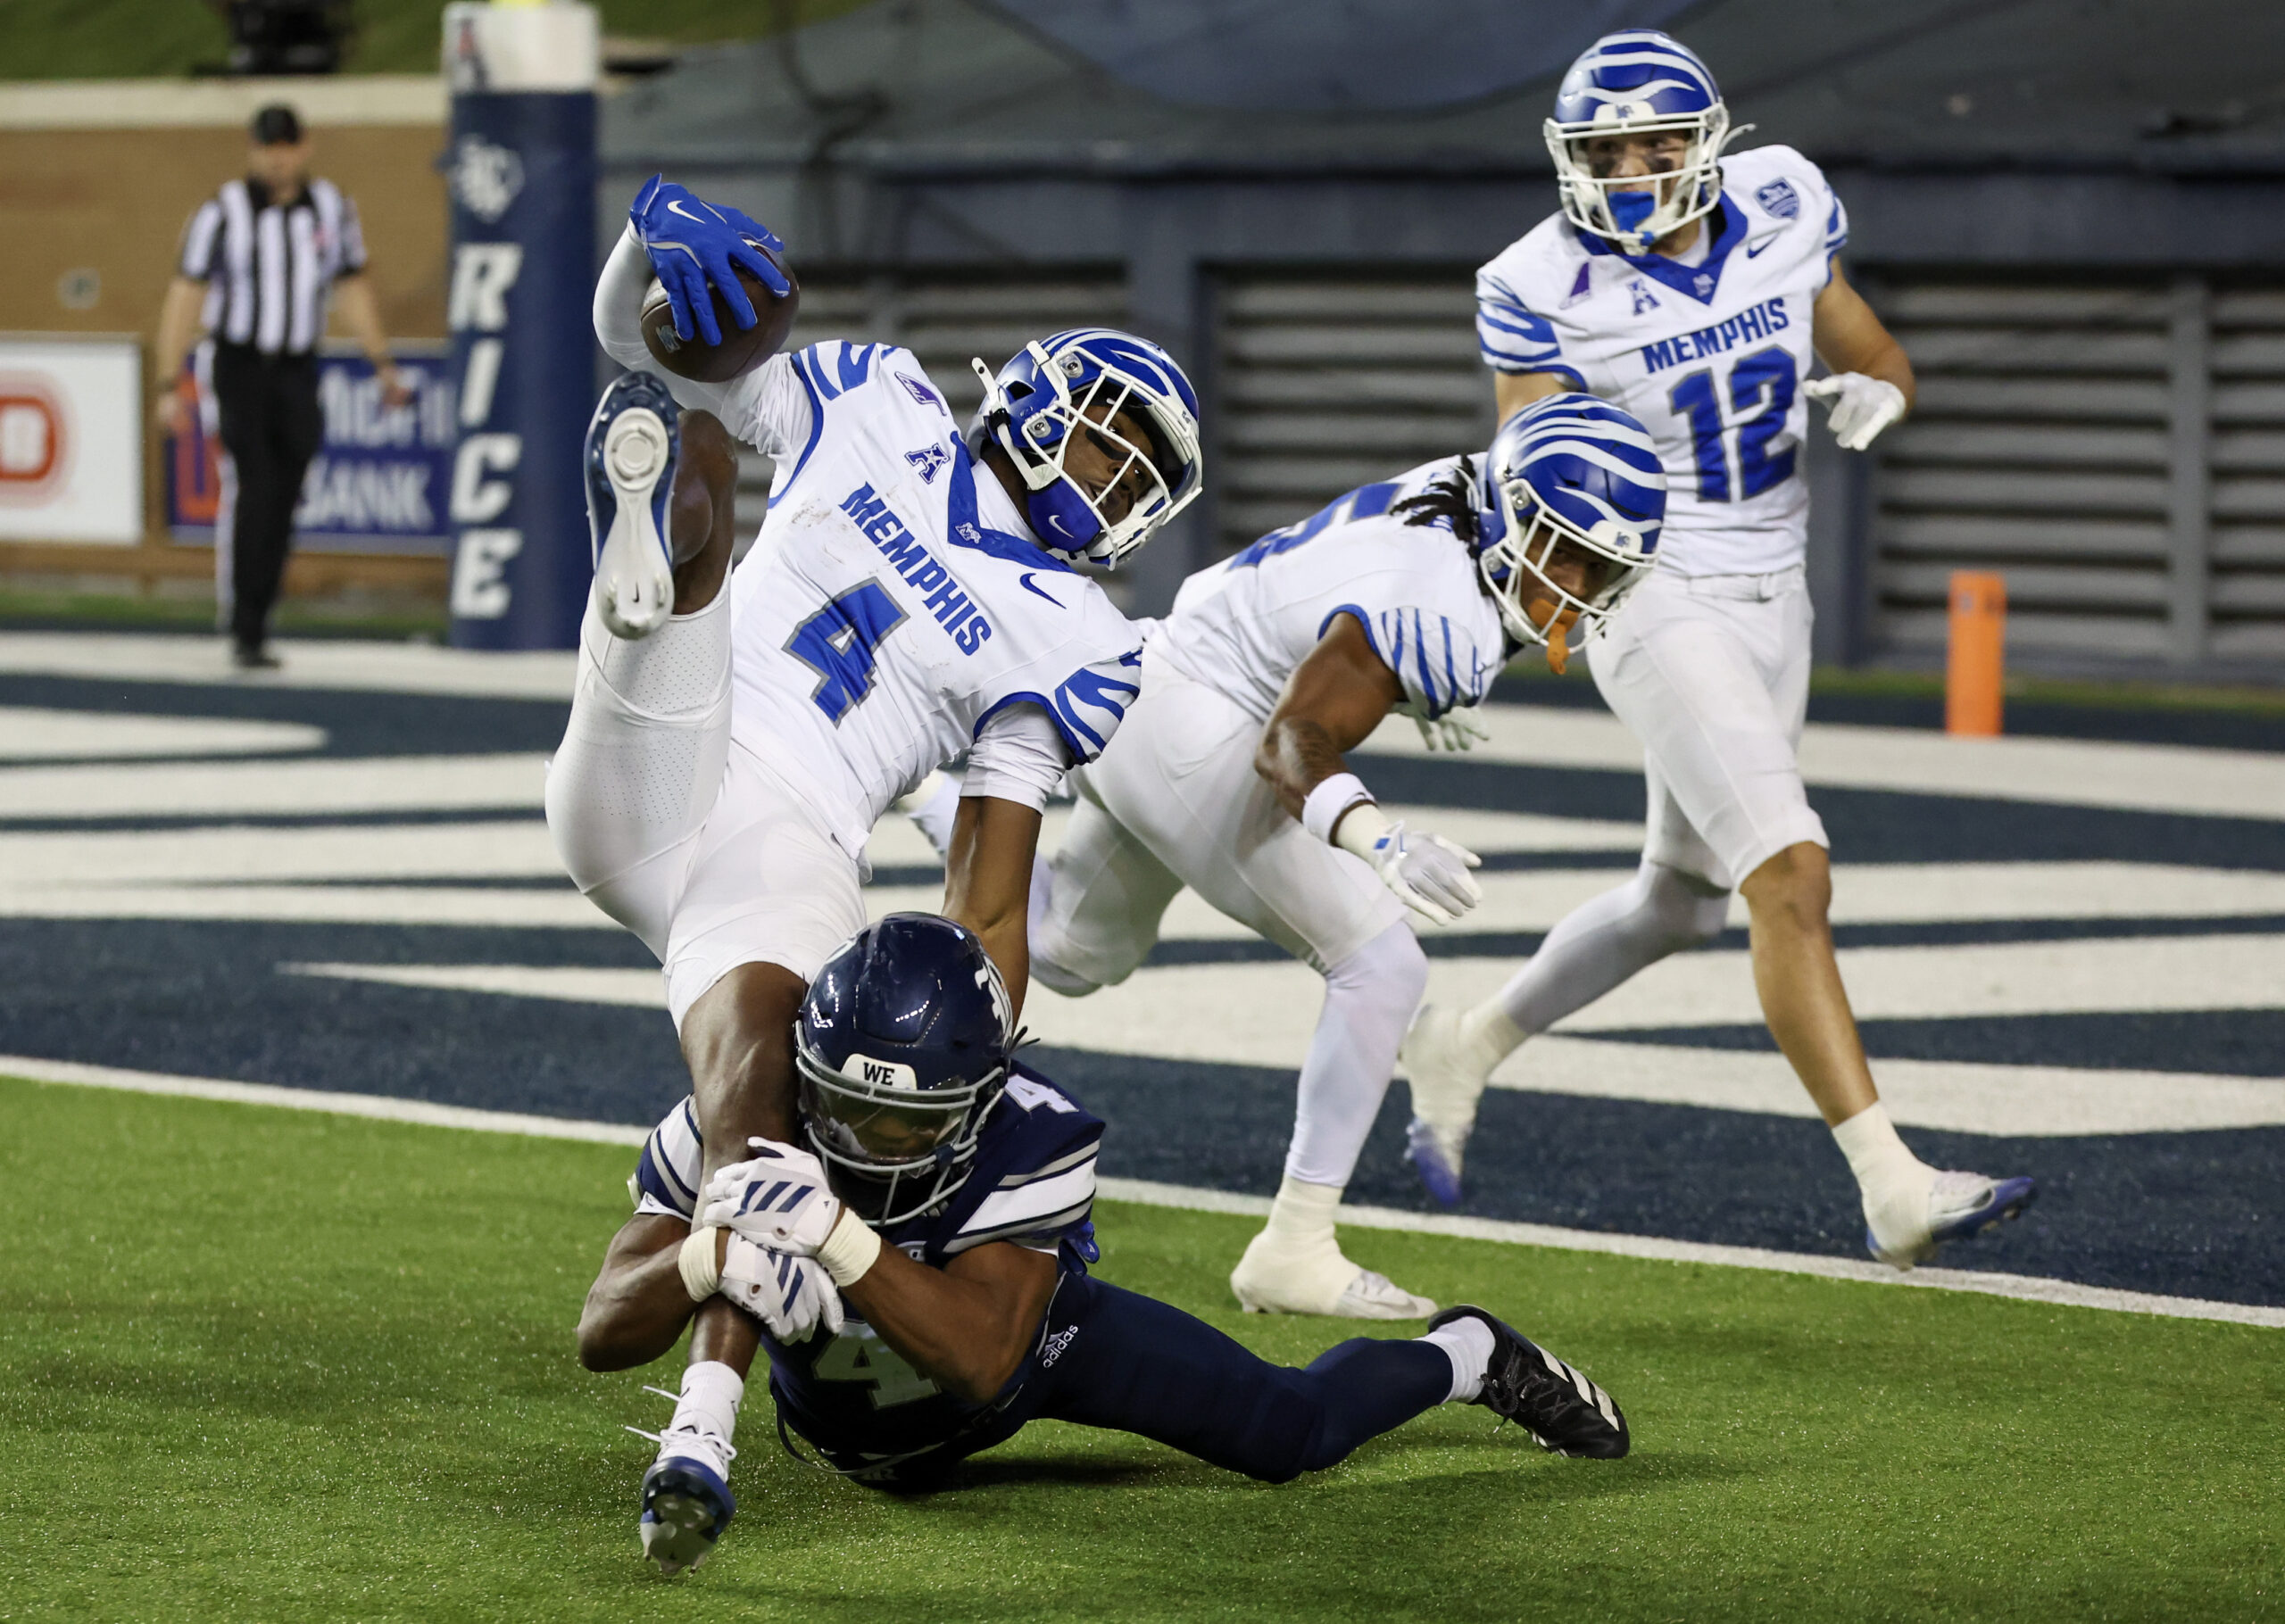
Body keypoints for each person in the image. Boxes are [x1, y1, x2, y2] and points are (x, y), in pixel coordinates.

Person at [544, 179, 1206, 1546]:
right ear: (1031, 403)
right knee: (707, 456)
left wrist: (984, 1043)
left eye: (1134, 481)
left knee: (766, 1111)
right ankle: (667, 552)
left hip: (786, 834)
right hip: (679, 759)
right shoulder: (884, 403)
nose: (1110, 490)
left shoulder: (1076, 634)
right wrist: (643, 261)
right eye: (1102, 451)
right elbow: (642, 338)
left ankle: (702, 1430)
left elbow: (990, 890)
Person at [1400, 30, 2034, 1267]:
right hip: (1651, 587)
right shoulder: (1535, 278)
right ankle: (1890, 1184)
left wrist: (1883, 393)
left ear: (1708, 144)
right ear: (1568, 160)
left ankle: (1465, 1041)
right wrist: (1538, 605)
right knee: (1789, 874)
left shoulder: (1787, 195)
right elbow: (1532, 470)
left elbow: (1874, 348)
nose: (1634, 170)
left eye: (1657, 144)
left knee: (1675, 901)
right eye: (1606, 150)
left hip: (1772, 590)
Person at [903, 394, 1664, 1320]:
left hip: (1151, 676)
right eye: (1565, 550)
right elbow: (1292, 742)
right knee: (1381, 962)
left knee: (1071, 949)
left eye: (1602, 567)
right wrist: (1377, 838)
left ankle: (927, 792)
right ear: (1513, 511)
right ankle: (1294, 1245)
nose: (1578, 584)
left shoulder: (1467, 498)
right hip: (1201, 718)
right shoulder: (1443, 608)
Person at [577, 913, 1632, 1573]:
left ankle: (1467, 1354)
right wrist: (704, 1257)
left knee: (1289, 1432)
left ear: (983, 1096)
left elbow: (985, 1358)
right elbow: (602, 1331)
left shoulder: (1035, 1127)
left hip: (1028, 1351)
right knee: (738, 1236)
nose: (867, 1141)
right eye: (844, 1107)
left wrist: (835, 1236)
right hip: (859, 1424)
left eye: (909, 1123)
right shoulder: (746, 1111)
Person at [154, 102, 411, 670]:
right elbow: (186, 295)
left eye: (286, 146)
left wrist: (382, 363)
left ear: (304, 147)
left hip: (297, 366)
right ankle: (246, 623)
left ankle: (258, 613)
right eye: (268, 146)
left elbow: (351, 286)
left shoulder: (330, 208)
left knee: (288, 482)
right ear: (254, 149)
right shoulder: (222, 211)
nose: (277, 157)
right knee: (258, 482)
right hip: (239, 363)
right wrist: (169, 380)